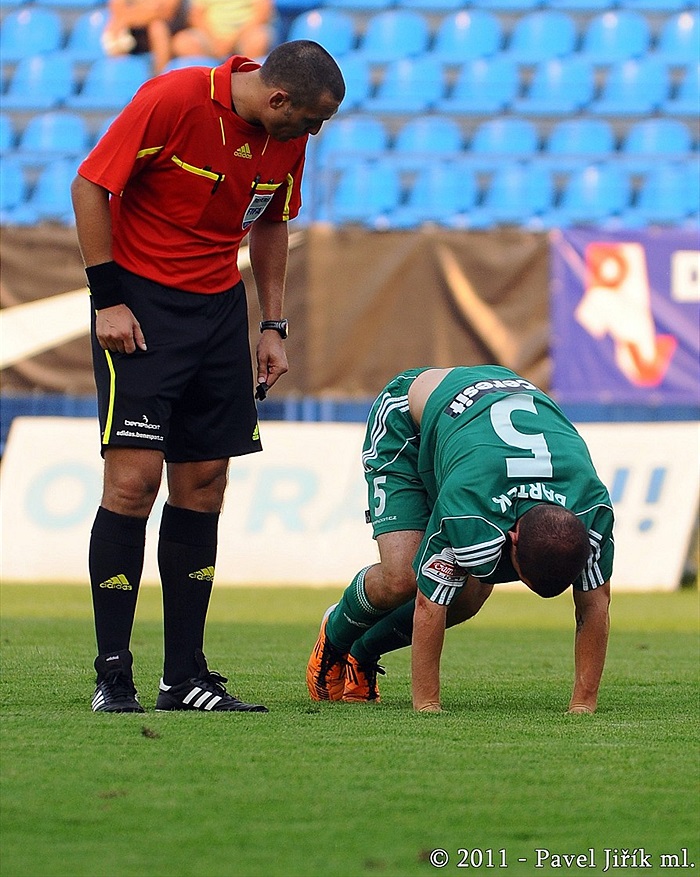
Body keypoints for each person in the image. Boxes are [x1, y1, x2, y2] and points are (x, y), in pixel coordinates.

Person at [71, 40, 345, 713]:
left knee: (205, 485)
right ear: (277, 98)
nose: (313, 134)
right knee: (133, 484)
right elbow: (90, 186)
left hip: (219, 310)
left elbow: (273, 222)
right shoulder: (175, 98)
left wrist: (272, 324)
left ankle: (184, 677)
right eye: (311, 121)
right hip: (140, 307)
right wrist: (108, 299)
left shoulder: (286, 138)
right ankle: (113, 675)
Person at [306, 366, 613, 714]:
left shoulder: (591, 508)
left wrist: (582, 705)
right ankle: (335, 638)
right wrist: (428, 705)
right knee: (403, 577)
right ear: (512, 536)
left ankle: (363, 653)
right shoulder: (471, 509)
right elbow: (429, 604)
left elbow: (595, 605)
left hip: (472, 439)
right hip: (408, 424)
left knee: (467, 598)